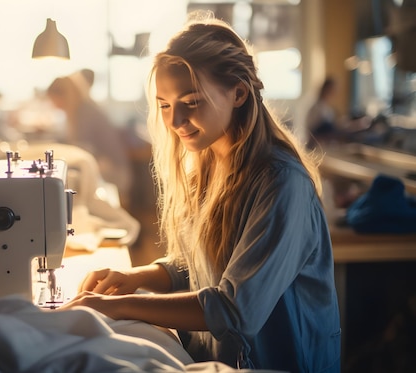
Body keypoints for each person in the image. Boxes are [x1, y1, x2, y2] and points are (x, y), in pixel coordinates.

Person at [61, 13, 341, 373]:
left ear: (238, 92)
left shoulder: (282, 184)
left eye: (191, 102)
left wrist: (117, 305)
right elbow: (200, 263)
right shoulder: (208, 163)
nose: (175, 121)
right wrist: (138, 277)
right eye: (164, 105)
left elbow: (234, 309)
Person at [46, 69, 132, 204]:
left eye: (54, 101)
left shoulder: (85, 114)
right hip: (103, 165)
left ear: (64, 96)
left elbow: (84, 151)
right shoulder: (80, 110)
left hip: (114, 172)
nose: (54, 106)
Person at [305, 76, 338, 146]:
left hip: (326, 144)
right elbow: (310, 131)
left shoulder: (328, 109)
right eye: (331, 90)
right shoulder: (315, 108)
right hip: (316, 145)